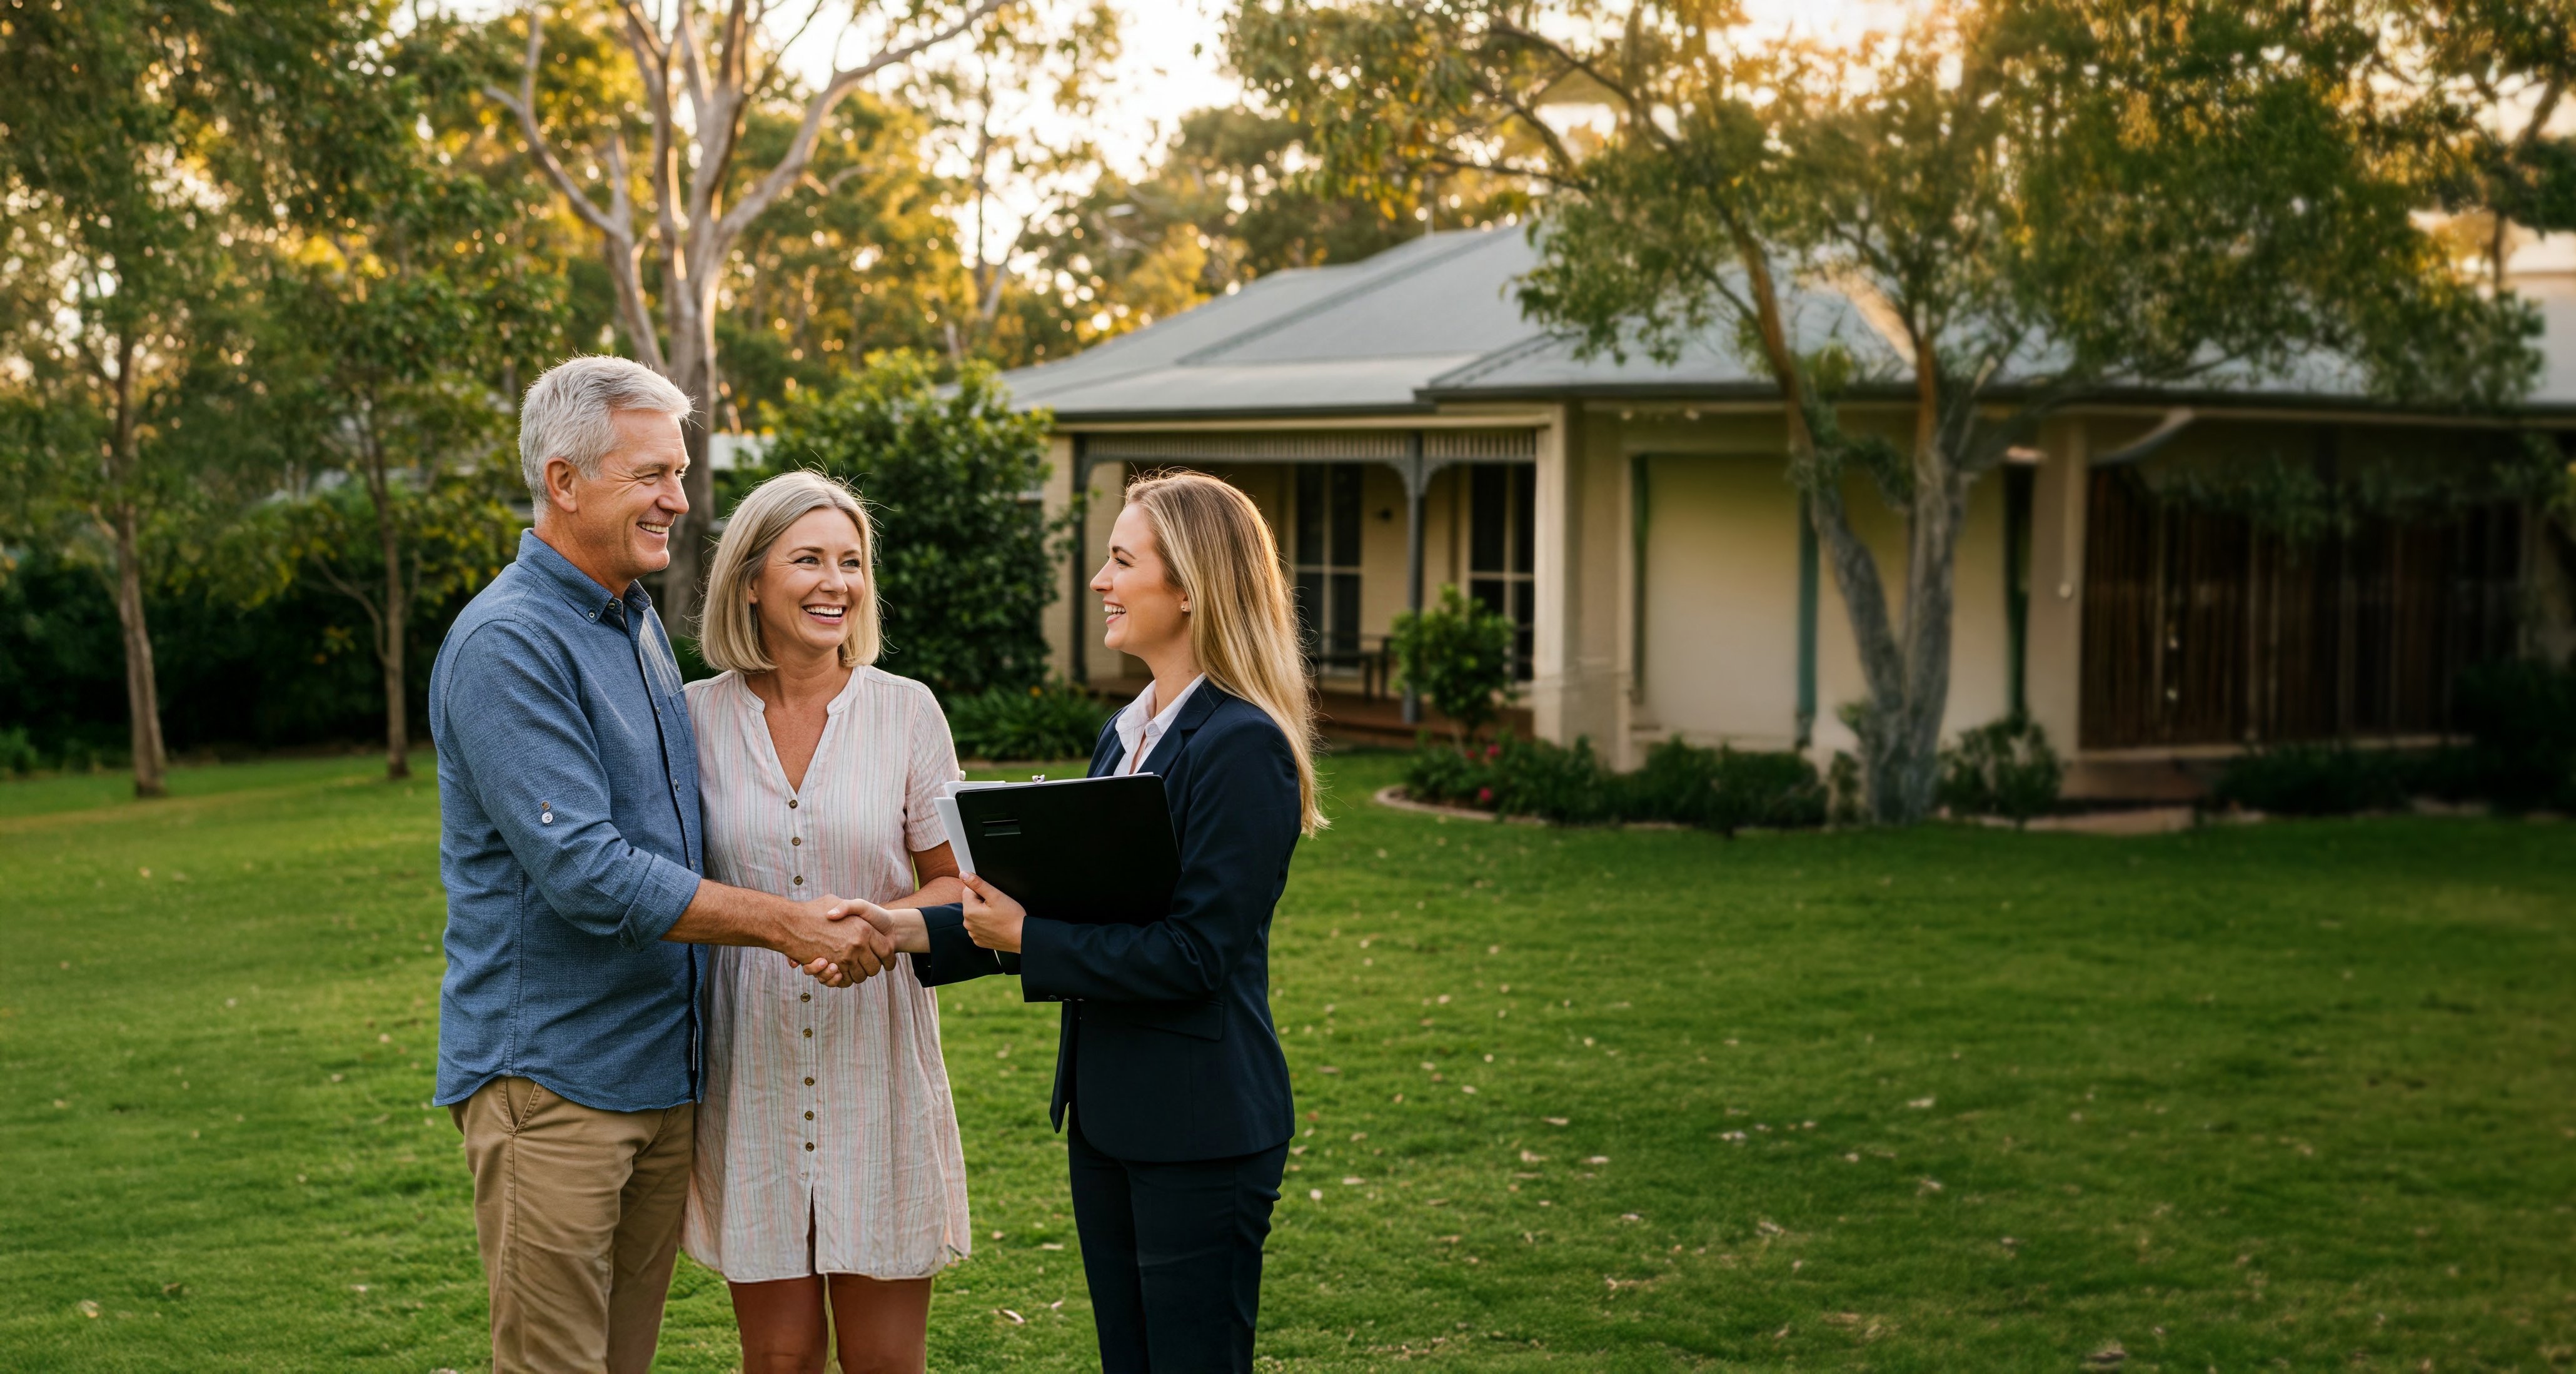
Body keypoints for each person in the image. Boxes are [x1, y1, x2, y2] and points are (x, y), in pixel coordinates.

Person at [428, 356, 895, 1374]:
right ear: (564, 481)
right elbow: (589, 871)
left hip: (657, 1078)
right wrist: (786, 921)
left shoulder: (631, 619)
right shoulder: (509, 643)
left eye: (678, 472)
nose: (679, 500)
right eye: (651, 475)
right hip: (551, 1083)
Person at [847, 470, 1325, 1373]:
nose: (1100, 581)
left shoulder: (1242, 744)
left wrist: (1028, 937)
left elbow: (1195, 955)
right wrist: (905, 929)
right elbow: (1074, 915)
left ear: (1187, 587)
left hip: (1201, 1128)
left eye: (1119, 560)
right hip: (1109, 1117)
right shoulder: (1127, 730)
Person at [679, 471, 974, 1374]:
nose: (835, 582)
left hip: (873, 1061)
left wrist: (872, 928)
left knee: (886, 1361)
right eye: (808, 559)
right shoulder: (689, 719)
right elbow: (669, 891)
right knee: (778, 1359)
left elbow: (961, 888)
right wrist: (783, 929)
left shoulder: (906, 711)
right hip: (753, 1066)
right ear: (750, 581)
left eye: (851, 562)